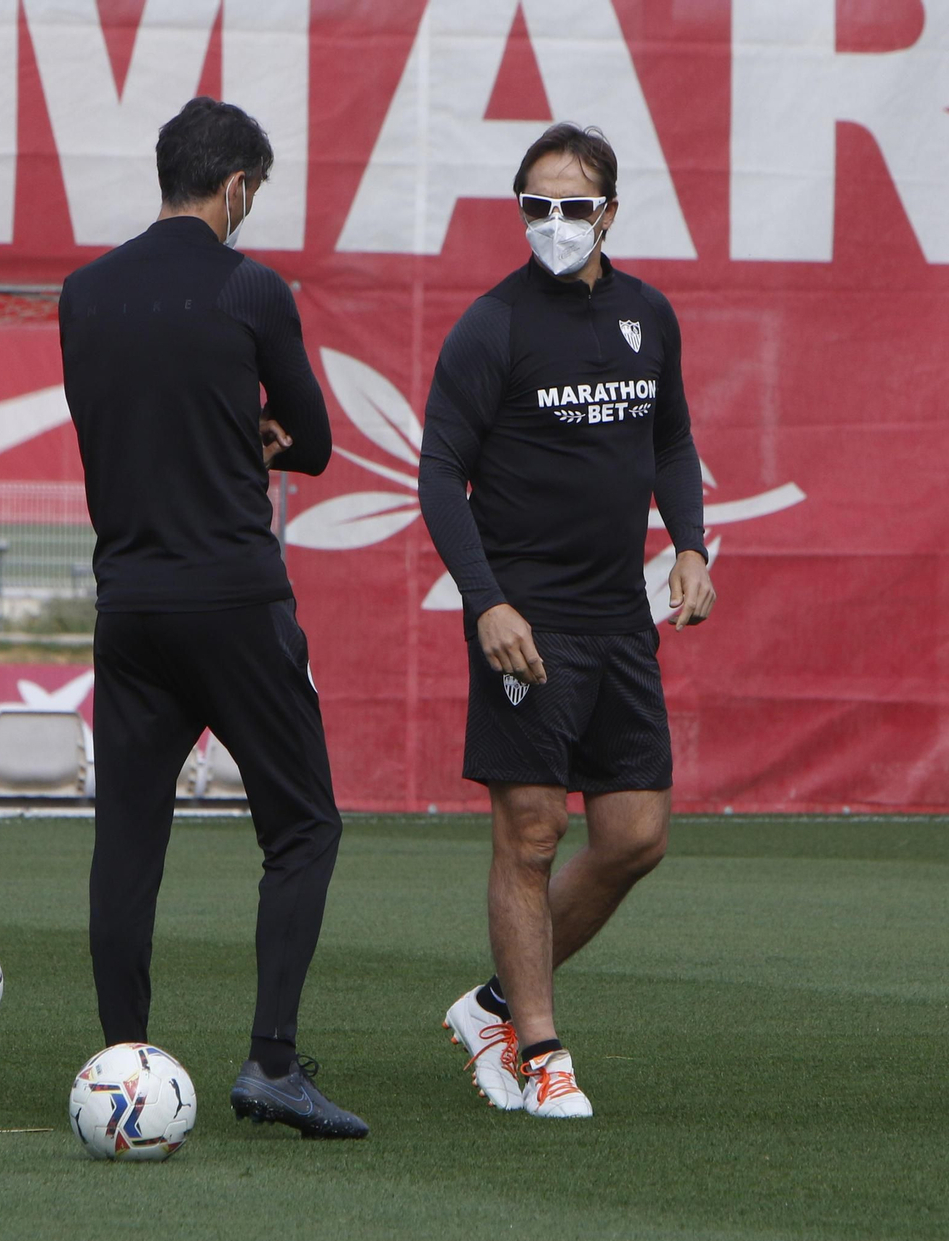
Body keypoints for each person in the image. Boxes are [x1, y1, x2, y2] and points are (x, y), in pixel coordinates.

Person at [59, 97, 366, 1139]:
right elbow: (315, 440)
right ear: (235, 186)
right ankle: (271, 1061)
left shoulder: (82, 293)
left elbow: (127, 422)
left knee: (128, 838)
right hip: (234, 598)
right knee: (304, 824)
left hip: (129, 602)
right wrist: (252, 432)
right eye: (255, 195)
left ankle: (121, 1057)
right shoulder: (249, 288)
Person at [418, 123, 716, 1119]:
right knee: (532, 831)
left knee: (635, 835)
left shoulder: (647, 314)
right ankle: (539, 1048)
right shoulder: (491, 324)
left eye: (572, 205)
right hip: (526, 619)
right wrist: (486, 599)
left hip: (619, 617)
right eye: (534, 205)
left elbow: (671, 436)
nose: (553, 223)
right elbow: (437, 475)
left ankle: (494, 1000)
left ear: (610, 213)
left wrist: (688, 542)